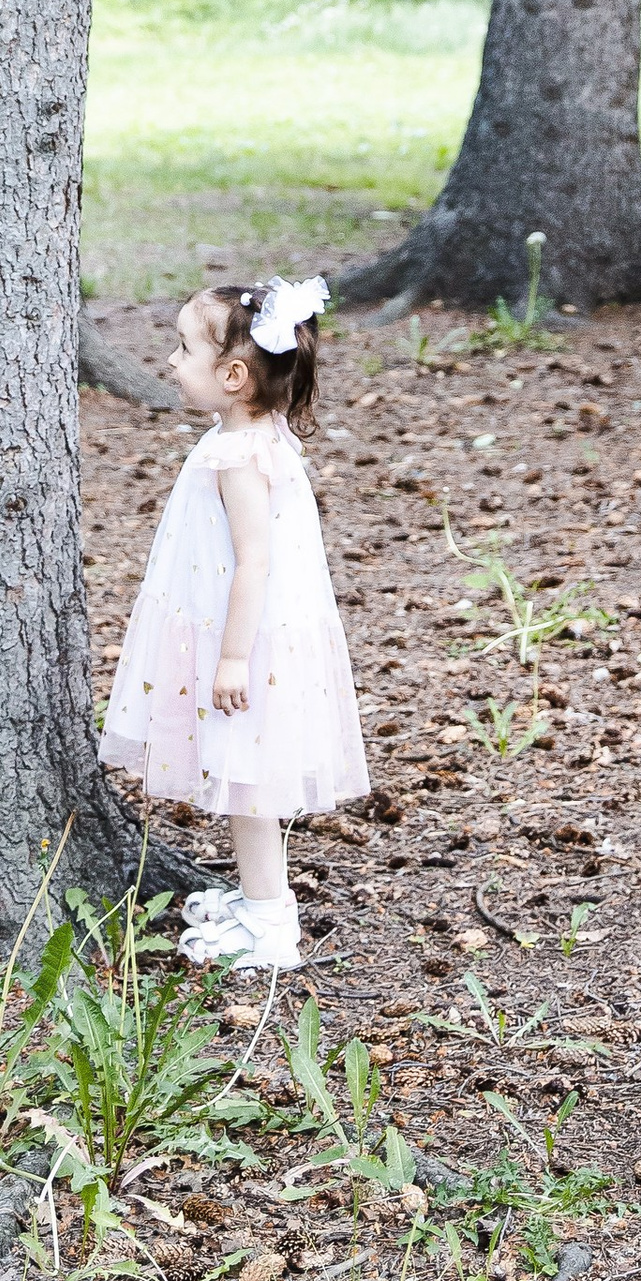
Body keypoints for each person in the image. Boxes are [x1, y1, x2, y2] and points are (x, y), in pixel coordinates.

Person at [97, 272, 367, 976]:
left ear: (235, 375)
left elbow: (254, 563)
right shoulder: (256, 438)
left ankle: (271, 923)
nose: (170, 362)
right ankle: (258, 902)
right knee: (249, 782)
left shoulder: (237, 457)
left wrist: (231, 660)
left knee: (250, 785)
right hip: (248, 636)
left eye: (183, 349)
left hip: (248, 644)